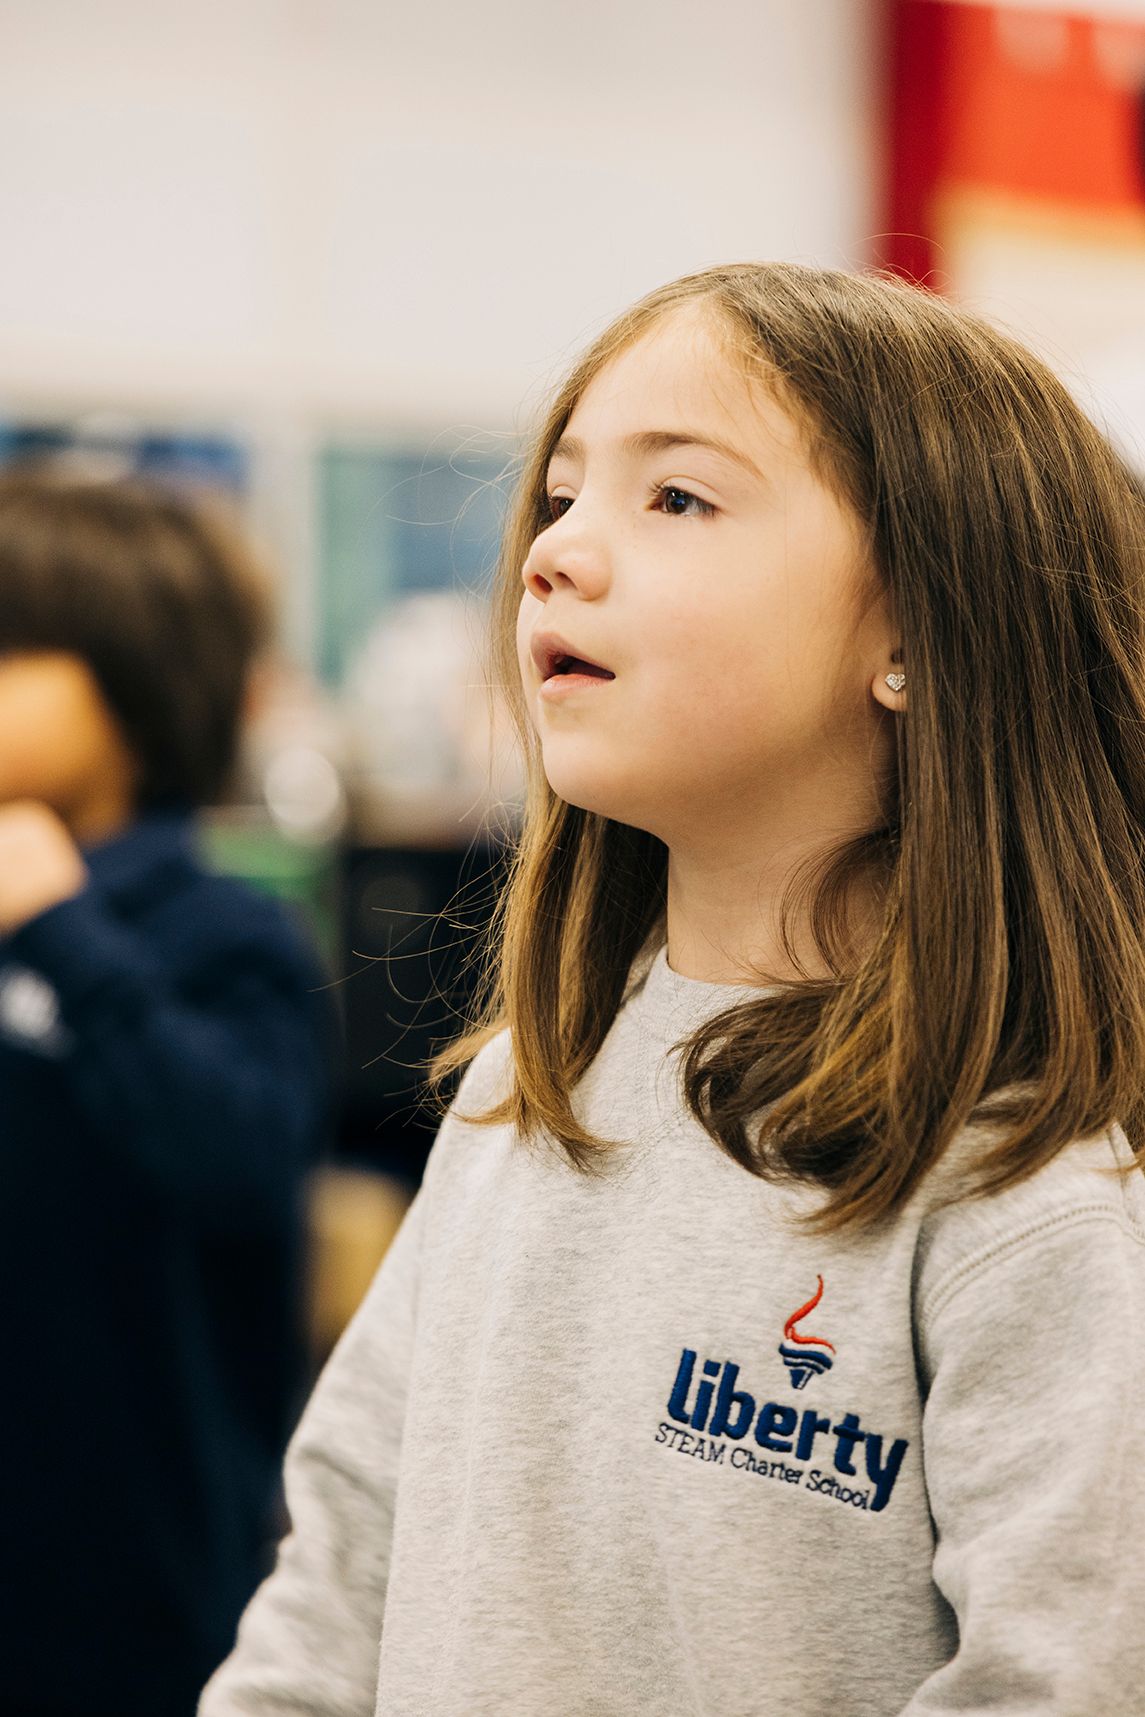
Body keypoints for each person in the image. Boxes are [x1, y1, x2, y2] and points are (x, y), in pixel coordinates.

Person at [200, 263, 1145, 1716]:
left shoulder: (1024, 1186)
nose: (553, 553)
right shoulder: (528, 1087)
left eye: (677, 498)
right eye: (563, 495)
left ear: (913, 629)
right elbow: (336, 1580)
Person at [0, 472, 333, 1717]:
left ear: (137, 681)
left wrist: (64, 931)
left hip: (133, 1573)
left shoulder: (223, 934)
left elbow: (239, 1156)